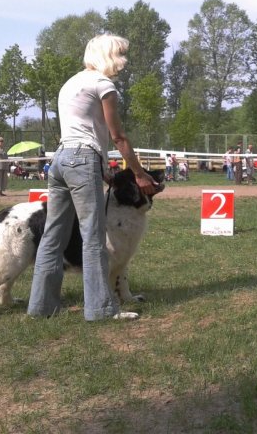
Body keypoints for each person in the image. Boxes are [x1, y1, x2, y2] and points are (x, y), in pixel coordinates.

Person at [27, 34, 157, 322]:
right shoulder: (103, 85)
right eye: (121, 55)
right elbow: (118, 137)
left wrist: (102, 171)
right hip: (82, 159)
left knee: (53, 235)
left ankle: (41, 307)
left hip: (61, 160)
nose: (123, 62)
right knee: (93, 236)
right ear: (109, 56)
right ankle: (100, 309)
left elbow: (78, 131)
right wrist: (138, 174)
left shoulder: (70, 84)